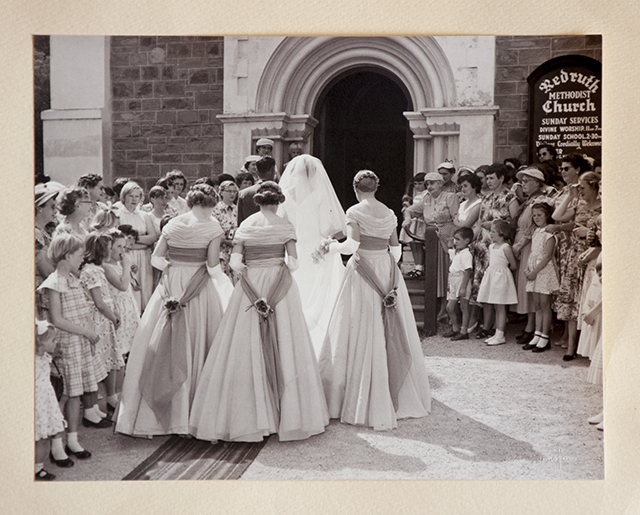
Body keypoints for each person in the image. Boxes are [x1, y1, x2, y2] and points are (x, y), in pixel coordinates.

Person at [189, 181, 329, 443]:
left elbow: (234, 262)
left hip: (251, 282)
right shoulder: (285, 225)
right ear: (277, 203)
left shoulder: (246, 225)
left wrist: (252, 272)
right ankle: (287, 412)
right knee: (286, 339)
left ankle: (250, 414)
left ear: (259, 202)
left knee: (244, 341)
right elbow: (294, 263)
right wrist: (276, 268)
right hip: (279, 283)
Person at [116, 184, 232, 437]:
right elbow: (213, 267)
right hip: (198, 287)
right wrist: (227, 284)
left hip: (171, 284)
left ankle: (152, 416)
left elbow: (156, 260)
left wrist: (174, 268)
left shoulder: (173, 224)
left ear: (190, 202)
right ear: (211, 204)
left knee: (158, 343)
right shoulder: (212, 227)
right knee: (198, 342)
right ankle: (191, 414)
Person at [319, 170, 431, 430]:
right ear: (376, 188)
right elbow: (396, 249)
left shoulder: (354, 212)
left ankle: (360, 393)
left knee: (359, 321)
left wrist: (329, 247)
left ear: (356, 189)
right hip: (386, 267)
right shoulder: (389, 212)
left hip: (364, 269)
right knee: (387, 321)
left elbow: (351, 246)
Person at [38, 233, 104, 467]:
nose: (82, 259)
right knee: (64, 394)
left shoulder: (75, 280)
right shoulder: (54, 283)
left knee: (76, 393)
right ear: (66, 255)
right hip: (64, 345)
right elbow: (57, 318)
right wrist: (85, 332)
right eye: (78, 255)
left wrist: (88, 335)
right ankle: (57, 446)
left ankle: (73, 440)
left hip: (79, 345)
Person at [277, 154, 347, 354]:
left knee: (297, 284)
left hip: (292, 248)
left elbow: (281, 221)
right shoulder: (318, 194)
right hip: (316, 247)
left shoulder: (285, 194)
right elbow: (328, 226)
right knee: (318, 287)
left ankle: (293, 328)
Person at [552, 170, 601, 361]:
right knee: (573, 303)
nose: (580, 191)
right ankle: (571, 347)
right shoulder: (579, 205)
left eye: (582, 188)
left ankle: (592, 348)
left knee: (589, 301)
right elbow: (557, 215)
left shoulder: (603, 207)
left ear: (593, 186)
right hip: (575, 257)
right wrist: (570, 196)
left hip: (593, 257)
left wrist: (587, 231)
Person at [472, 163, 519, 340]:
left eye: (492, 178)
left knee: (498, 287)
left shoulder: (510, 197)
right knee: (485, 287)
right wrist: (472, 242)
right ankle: (486, 325)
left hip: (499, 246)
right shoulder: (485, 198)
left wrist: (496, 226)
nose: (489, 181)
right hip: (484, 246)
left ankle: (498, 327)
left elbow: (514, 223)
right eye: (487, 178)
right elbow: (478, 222)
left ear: (501, 178)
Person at [403, 172, 459, 322]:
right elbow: (410, 210)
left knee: (446, 273)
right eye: (427, 183)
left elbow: (456, 219)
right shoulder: (425, 198)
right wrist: (408, 218)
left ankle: (446, 308)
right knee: (435, 273)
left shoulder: (450, 196)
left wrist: (453, 240)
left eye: (433, 183)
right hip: (431, 239)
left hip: (447, 239)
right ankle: (438, 309)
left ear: (440, 183)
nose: (430, 186)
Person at [80, 232, 122, 414]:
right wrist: (113, 316)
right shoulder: (90, 271)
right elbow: (99, 302)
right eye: (108, 247)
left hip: (105, 318)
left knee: (110, 357)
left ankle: (110, 398)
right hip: (98, 319)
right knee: (97, 360)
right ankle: (93, 408)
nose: (111, 250)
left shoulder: (98, 269)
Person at [102, 229, 140, 404]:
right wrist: (126, 267)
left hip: (128, 311)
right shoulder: (106, 267)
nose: (122, 251)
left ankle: (121, 392)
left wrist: (130, 271)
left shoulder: (119, 264)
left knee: (124, 354)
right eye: (118, 246)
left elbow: (131, 285)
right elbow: (122, 286)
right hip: (117, 312)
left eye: (124, 247)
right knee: (116, 356)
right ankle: (112, 395)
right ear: (107, 248)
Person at [511, 167, 548, 344]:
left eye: (527, 181)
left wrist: (520, 244)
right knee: (525, 285)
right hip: (523, 242)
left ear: (537, 183)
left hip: (529, 244)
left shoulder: (539, 201)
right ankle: (530, 324)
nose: (523, 185)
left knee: (530, 285)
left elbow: (533, 226)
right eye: (522, 181)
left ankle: (532, 327)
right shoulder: (529, 200)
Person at [522, 201, 560, 352]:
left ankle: (545, 336)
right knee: (537, 304)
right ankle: (536, 335)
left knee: (545, 305)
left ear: (547, 216)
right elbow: (533, 253)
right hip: (534, 270)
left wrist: (534, 271)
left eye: (539, 215)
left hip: (543, 271)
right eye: (534, 215)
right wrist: (528, 268)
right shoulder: (536, 232)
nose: (536, 218)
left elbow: (547, 257)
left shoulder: (549, 234)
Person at [116, 181, 158, 312]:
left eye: (137, 196)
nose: (134, 199)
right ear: (124, 197)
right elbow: (119, 241)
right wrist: (140, 245)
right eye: (131, 196)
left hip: (144, 258)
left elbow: (153, 237)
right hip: (126, 257)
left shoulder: (144, 216)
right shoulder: (118, 215)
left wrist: (134, 239)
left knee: (145, 288)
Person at [476, 220, 518, 346]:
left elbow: (513, 265)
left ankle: (500, 334)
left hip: (501, 278)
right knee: (494, 305)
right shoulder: (491, 246)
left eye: (493, 232)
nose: (491, 234)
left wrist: (503, 273)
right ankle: (496, 333)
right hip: (492, 277)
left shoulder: (505, 247)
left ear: (501, 233)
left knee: (500, 307)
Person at [35, 320, 67, 480]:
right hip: (37, 402)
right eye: (52, 340)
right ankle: (35, 468)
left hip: (45, 400)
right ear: (40, 342)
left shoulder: (45, 356)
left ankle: (38, 466)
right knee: (40, 436)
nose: (55, 343)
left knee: (44, 437)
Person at [36, 182, 64, 319]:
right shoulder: (35, 235)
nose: (55, 211)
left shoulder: (46, 232)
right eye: (52, 207)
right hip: (41, 290)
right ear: (39, 208)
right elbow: (45, 269)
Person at [445, 227, 474, 340]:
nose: (455, 241)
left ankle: (464, 331)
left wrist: (463, 287)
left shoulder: (466, 254)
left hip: (462, 281)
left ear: (466, 241)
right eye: (454, 239)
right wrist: (441, 238)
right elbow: (446, 250)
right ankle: (455, 327)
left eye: (458, 239)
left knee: (464, 307)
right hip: (453, 280)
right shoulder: (456, 252)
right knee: (450, 307)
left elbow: (467, 271)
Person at [212, 180, 240, 282]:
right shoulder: (215, 210)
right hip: (221, 249)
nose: (232, 194)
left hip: (235, 249)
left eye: (234, 191)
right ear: (222, 192)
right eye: (229, 191)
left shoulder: (238, 209)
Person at [400, 173, 427, 278]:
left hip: (420, 221)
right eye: (415, 184)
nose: (417, 186)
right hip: (413, 221)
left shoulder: (426, 195)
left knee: (418, 244)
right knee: (413, 244)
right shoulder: (417, 195)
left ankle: (420, 267)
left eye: (420, 183)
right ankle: (417, 266)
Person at [237, 155, 276, 225]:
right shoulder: (279, 192)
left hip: (249, 232)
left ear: (257, 172)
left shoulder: (244, 193)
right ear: (273, 171)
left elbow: (240, 222)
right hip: (273, 232)